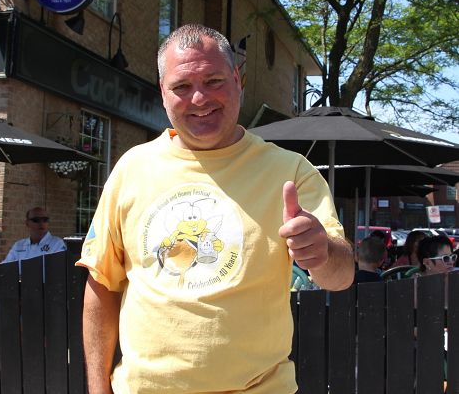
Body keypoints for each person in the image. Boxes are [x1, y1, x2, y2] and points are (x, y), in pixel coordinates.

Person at [77, 24, 354, 394]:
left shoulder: (290, 171)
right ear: (163, 93)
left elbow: (341, 277)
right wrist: (98, 389)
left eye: (213, 80)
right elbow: (102, 283)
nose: (199, 99)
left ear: (238, 79)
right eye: (181, 87)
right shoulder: (132, 168)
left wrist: (321, 253)